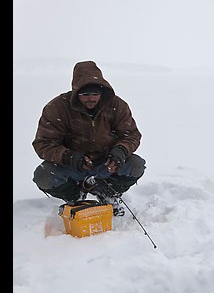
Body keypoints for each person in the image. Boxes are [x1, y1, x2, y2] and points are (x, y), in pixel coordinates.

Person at [32, 60, 146, 216]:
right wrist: (69, 156)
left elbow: (131, 134)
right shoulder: (57, 108)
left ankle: (107, 192)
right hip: (72, 166)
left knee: (136, 165)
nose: (91, 99)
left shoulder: (116, 105)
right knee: (43, 176)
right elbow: (43, 143)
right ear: (76, 92)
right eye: (85, 94)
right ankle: (75, 196)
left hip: (106, 164)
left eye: (95, 94)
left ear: (102, 91)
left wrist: (120, 151)